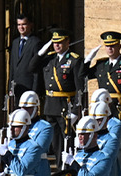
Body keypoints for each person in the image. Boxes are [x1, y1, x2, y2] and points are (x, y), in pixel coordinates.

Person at [36, 28, 83, 159]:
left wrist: (75, 110)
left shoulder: (74, 60)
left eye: (60, 42)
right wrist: (40, 53)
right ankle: (59, 168)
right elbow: (31, 67)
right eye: (54, 42)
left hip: (65, 107)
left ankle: (68, 170)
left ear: (67, 42)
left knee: (67, 142)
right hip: (51, 107)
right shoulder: (49, 58)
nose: (56, 45)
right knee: (55, 143)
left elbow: (80, 89)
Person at [9, 14, 42, 97]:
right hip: (17, 87)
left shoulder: (35, 42)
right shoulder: (15, 42)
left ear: (31, 25)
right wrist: (10, 87)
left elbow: (37, 69)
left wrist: (35, 90)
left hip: (29, 87)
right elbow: (12, 66)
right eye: (19, 25)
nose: (21, 27)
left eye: (24, 24)